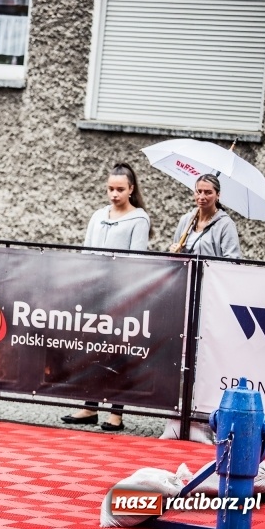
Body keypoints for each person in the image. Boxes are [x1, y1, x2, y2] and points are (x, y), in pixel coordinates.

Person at [61, 162, 151, 432]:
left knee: (118, 353)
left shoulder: (139, 218)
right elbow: (88, 252)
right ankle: (89, 407)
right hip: (94, 293)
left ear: (131, 189)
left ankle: (116, 413)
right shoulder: (99, 215)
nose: (114, 194)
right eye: (111, 188)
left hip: (121, 296)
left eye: (120, 189)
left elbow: (137, 261)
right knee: (91, 350)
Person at [168, 173, 241, 258]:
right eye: (198, 191)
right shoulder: (186, 220)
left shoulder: (226, 225)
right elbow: (174, 257)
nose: (201, 197)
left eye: (208, 193)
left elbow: (232, 260)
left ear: (218, 195)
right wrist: (174, 251)